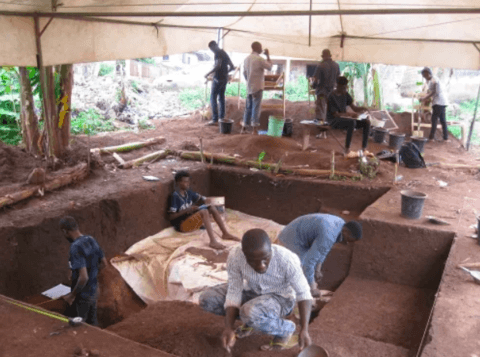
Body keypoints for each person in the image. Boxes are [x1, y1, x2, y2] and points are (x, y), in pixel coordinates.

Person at [199, 229, 313, 352]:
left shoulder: (286, 259)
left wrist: (304, 329)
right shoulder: (235, 256)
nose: (261, 266)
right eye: (252, 261)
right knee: (207, 299)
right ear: (244, 254)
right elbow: (234, 291)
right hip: (253, 291)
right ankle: (251, 323)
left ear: (271, 250)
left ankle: (286, 328)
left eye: (265, 258)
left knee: (249, 311)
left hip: (281, 298)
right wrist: (229, 327)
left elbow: (304, 293)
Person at [277, 214, 362, 298]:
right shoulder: (329, 234)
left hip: (301, 232)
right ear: (346, 232)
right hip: (292, 237)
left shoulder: (340, 224)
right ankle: (283, 294)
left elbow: (324, 249)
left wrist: (317, 269)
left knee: (308, 268)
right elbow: (308, 263)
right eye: (349, 240)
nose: (347, 243)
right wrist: (313, 288)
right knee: (299, 270)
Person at [168, 170, 239, 250]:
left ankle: (225, 233)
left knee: (211, 207)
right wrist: (187, 209)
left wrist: (210, 203)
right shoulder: (175, 196)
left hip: (190, 219)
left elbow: (203, 198)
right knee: (203, 211)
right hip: (182, 226)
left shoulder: (188, 193)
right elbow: (171, 217)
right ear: (178, 183)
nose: (188, 184)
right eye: (185, 182)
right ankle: (213, 241)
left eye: (188, 181)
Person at [60, 216, 108, 326]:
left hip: (83, 295)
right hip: (95, 290)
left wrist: (71, 296)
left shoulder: (75, 247)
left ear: (65, 231)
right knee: (92, 322)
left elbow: (83, 277)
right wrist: (93, 273)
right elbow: (104, 263)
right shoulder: (91, 239)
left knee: (80, 325)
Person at [327, 76, 371, 157]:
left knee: (366, 122)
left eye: (345, 87)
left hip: (345, 119)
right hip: (333, 120)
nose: (345, 89)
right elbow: (336, 114)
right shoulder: (331, 96)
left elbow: (354, 108)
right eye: (343, 88)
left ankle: (364, 148)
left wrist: (363, 108)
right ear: (337, 86)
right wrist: (350, 114)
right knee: (352, 122)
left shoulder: (345, 94)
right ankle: (347, 149)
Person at [241, 41, 273, 135]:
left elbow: (244, 73)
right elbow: (270, 67)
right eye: (260, 47)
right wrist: (268, 56)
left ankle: (244, 128)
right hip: (257, 87)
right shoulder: (259, 59)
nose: (261, 49)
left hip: (249, 87)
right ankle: (254, 129)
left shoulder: (246, 59)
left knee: (248, 107)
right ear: (257, 48)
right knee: (256, 107)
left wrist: (249, 80)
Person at [205, 41, 236, 126]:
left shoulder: (217, 53)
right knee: (221, 98)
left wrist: (208, 73)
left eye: (211, 49)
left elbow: (217, 66)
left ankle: (215, 119)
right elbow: (232, 66)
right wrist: (225, 72)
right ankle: (221, 118)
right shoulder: (224, 53)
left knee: (213, 98)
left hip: (218, 79)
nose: (212, 51)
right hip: (224, 79)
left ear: (214, 46)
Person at [420, 67, 449, 142]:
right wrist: (424, 98)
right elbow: (432, 92)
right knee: (442, 120)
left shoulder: (433, 79)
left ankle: (432, 137)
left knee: (434, 120)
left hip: (438, 102)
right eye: (424, 76)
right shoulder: (431, 80)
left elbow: (436, 90)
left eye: (425, 76)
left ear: (428, 74)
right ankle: (445, 138)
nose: (425, 77)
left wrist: (425, 97)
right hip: (440, 102)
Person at [313, 49, 340, 122]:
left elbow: (316, 79)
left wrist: (314, 85)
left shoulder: (320, 65)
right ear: (330, 56)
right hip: (332, 91)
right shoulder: (336, 65)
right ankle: (330, 123)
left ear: (323, 56)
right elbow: (338, 78)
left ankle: (320, 124)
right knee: (330, 108)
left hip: (322, 91)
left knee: (321, 108)